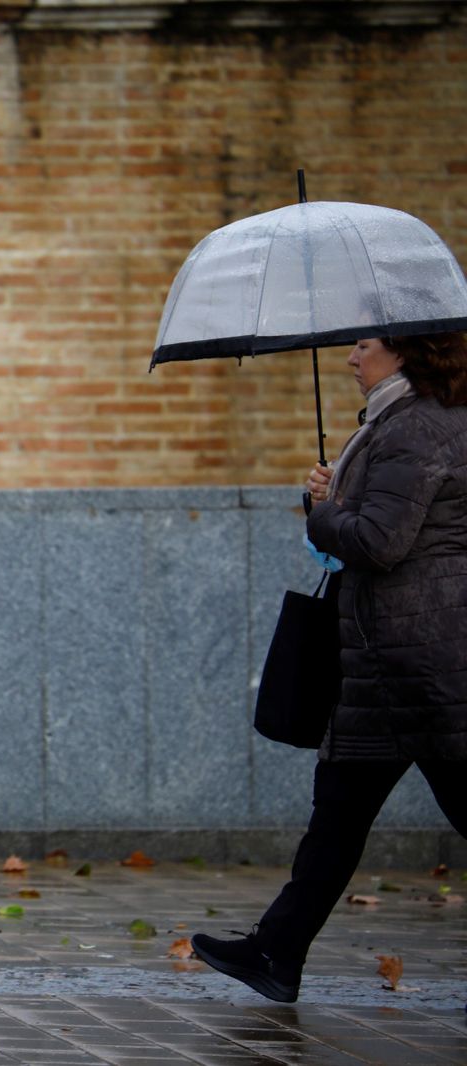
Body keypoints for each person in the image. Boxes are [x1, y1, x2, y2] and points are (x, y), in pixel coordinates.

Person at [193, 333, 467, 1003]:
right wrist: (331, 495)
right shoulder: (400, 423)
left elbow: (378, 541)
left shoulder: (417, 428)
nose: (350, 357)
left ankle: (275, 951)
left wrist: (326, 513)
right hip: (383, 666)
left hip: (417, 665)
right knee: (337, 818)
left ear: (406, 351)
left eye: (364, 345)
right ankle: (275, 952)